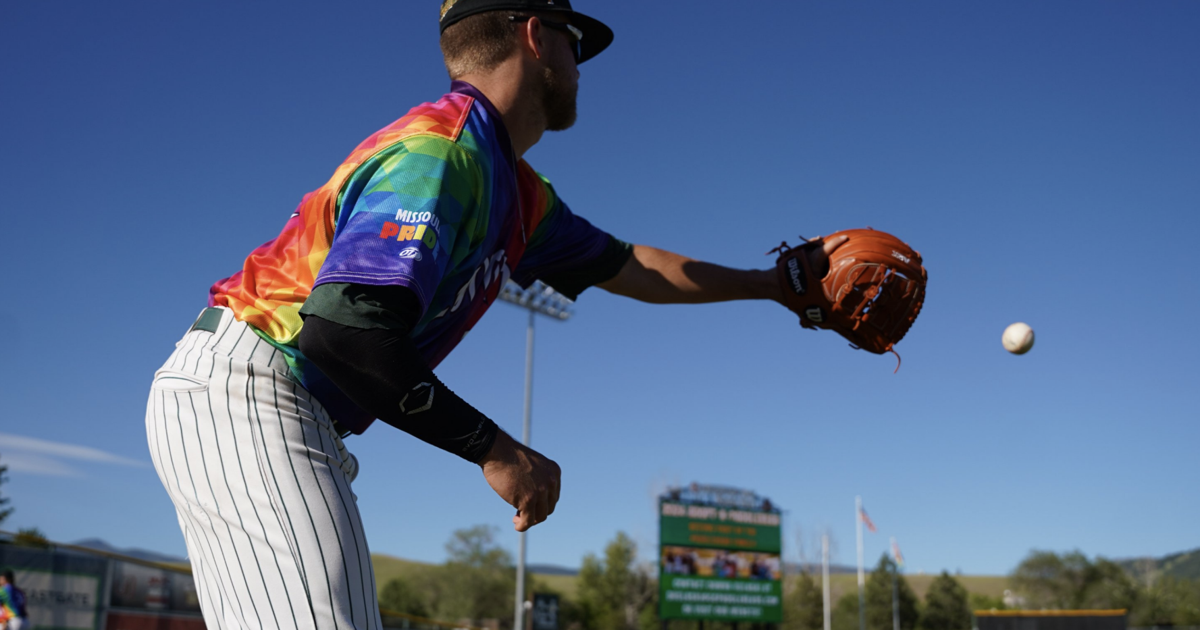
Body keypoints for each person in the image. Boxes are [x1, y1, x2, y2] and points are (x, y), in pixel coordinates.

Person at [145, 0, 845, 627]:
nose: (581, 65)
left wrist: (771, 286)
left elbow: (632, 267)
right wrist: (496, 449)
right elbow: (344, 331)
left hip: (272, 400)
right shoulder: (439, 152)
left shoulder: (514, 187)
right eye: (575, 42)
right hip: (252, 391)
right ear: (537, 36)